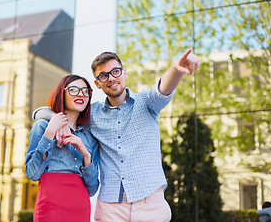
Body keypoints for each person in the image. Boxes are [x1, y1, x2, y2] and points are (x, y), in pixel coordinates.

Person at [33, 49, 200, 221]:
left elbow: (163, 88)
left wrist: (177, 68)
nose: (111, 78)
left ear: (124, 73)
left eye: (115, 71)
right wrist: (55, 118)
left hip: (149, 201)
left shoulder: (147, 103)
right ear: (97, 84)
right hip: (110, 207)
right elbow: (43, 112)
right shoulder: (92, 114)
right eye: (103, 76)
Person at [25, 74, 100, 222]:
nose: (80, 94)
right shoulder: (42, 126)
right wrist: (50, 132)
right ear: (62, 93)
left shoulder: (90, 136)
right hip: (49, 204)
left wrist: (85, 155)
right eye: (73, 90)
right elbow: (32, 174)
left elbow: (92, 189)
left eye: (85, 91)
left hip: (80, 206)